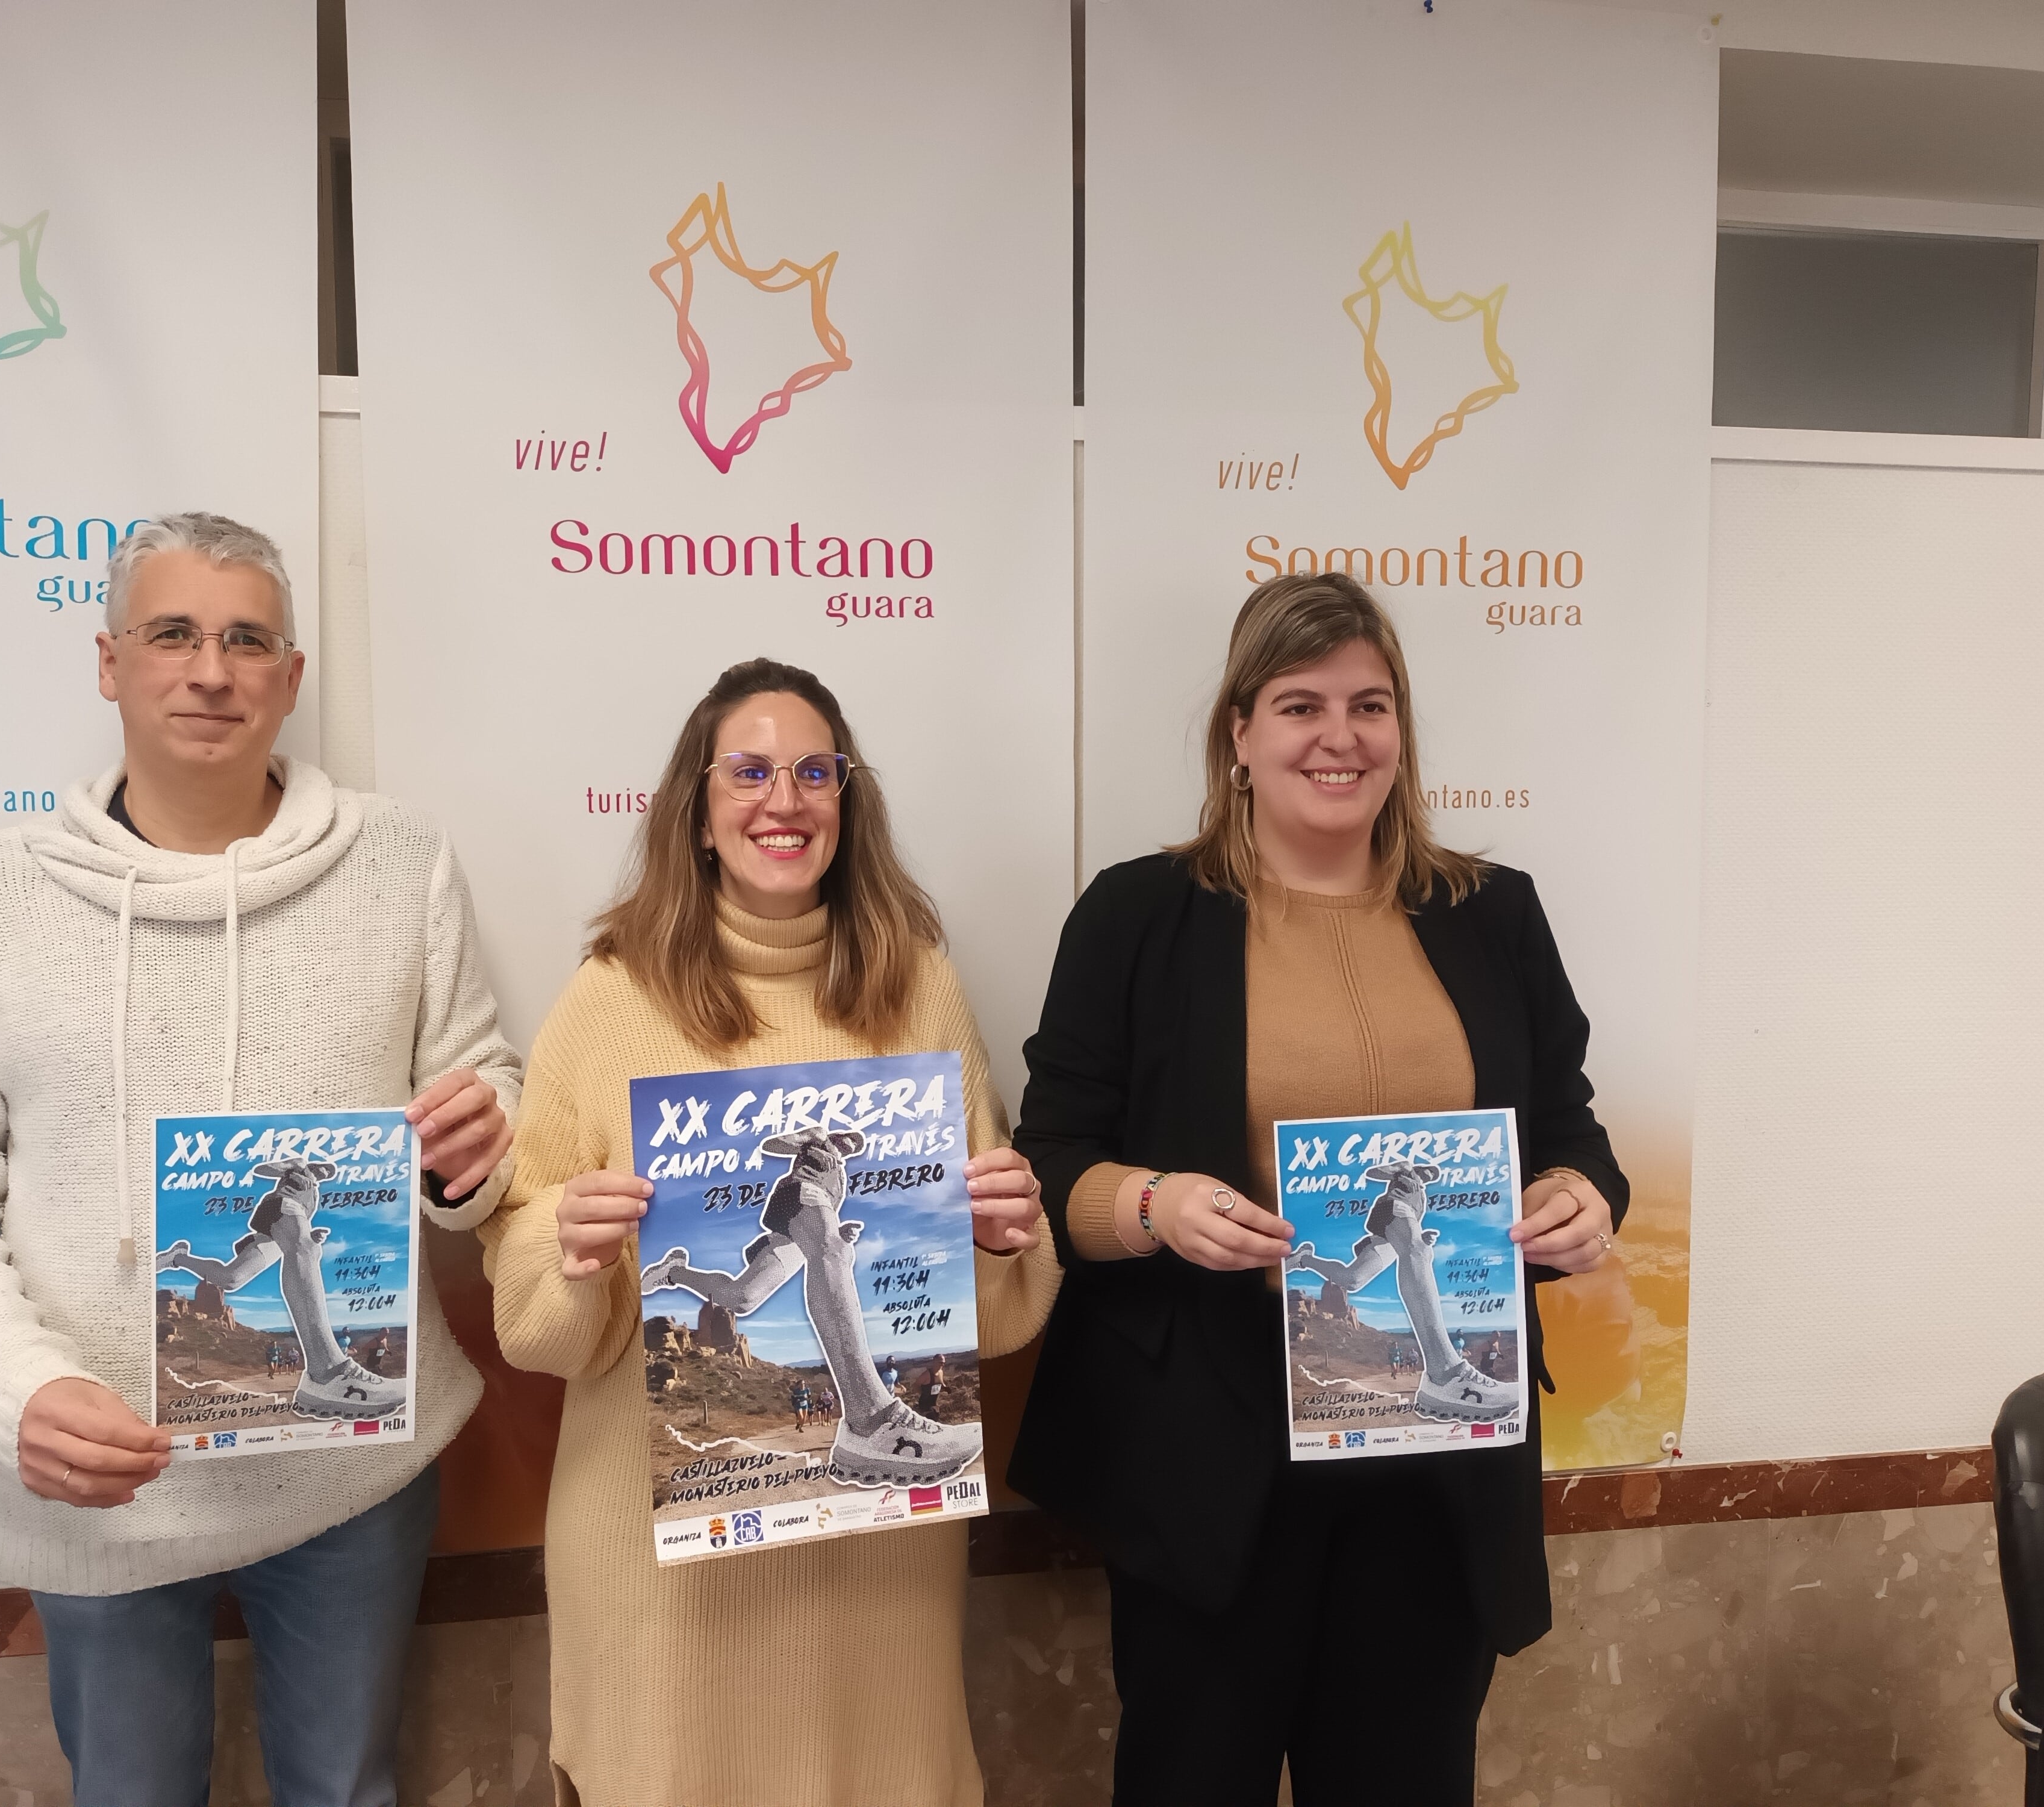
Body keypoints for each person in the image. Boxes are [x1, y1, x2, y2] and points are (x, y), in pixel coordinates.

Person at [0, 513, 523, 1807]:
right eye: (172, 635)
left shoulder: (401, 862)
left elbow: (477, 1089)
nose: (209, 670)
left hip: (354, 1470)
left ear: (290, 675)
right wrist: (13, 1390)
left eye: (244, 640)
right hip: (96, 1471)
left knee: (346, 1790)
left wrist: (474, 1147)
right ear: (109, 663)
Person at [1008, 573, 1625, 1807]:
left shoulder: (1491, 914)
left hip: (1433, 1466)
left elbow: (1564, 1126)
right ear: (1237, 735)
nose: (1337, 738)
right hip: (1211, 1461)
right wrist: (1152, 1208)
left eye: (1368, 704)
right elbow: (1051, 1161)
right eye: (1298, 705)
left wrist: (1576, 1195)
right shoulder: (1140, 915)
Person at [482, 657, 1061, 1805]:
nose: (782, 801)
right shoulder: (610, 997)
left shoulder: (919, 987)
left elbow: (987, 1317)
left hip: (875, 1581)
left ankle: (867, 1412)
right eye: (748, 772)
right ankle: (850, 1400)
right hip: (664, 1579)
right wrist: (570, 1246)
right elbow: (525, 1300)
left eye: (813, 772)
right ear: (696, 811)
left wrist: (1004, 1235)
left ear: (850, 802)